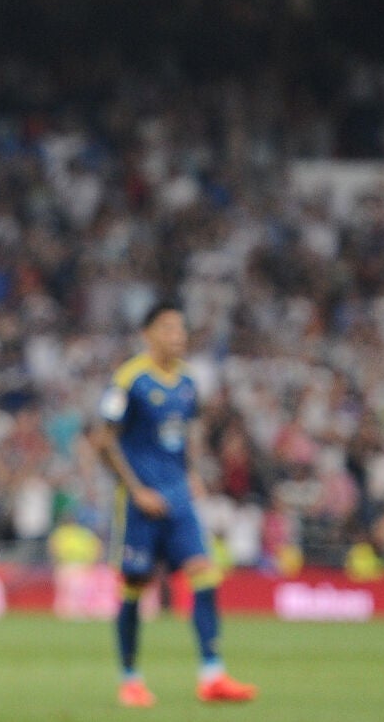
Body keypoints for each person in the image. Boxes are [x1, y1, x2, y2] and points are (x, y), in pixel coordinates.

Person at [93, 302, 258, 707]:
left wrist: (192, 473)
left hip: (179, 495)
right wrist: (135, 490)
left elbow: (183, 433)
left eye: (181, 329)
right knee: (134, 584)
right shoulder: (128, 379)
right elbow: (104, 440)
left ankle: (213, 675)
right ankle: (130, 679)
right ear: (147, 334)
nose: (178, 337)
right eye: (168, 329)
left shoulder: (188, 381)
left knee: (204, 572)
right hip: (140, 501)